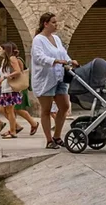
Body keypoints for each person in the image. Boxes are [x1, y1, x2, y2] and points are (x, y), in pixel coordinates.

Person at [31, 12, 74, 149]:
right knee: (47, 109)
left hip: (59, 77)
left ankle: (57, 136)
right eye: (54, 22)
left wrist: (69, 61)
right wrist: (54, 61)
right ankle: (49, 140)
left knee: (65, 106)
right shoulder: (38, 39)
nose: (56, 25)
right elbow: (38, 57)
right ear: (46, 24)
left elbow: (62, 53)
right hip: (45, 79)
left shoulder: (56, 38)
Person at [0, 42, 37, 139]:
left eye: (0, 49)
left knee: (10, 110)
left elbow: (18, 71)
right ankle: (15, 127)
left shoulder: (12, 58)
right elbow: (1, 77)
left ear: (6, 50)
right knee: (2, 109)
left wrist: (7, 76)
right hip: (4, 89)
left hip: (11, 88)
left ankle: (13, 131)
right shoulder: (4, 61)